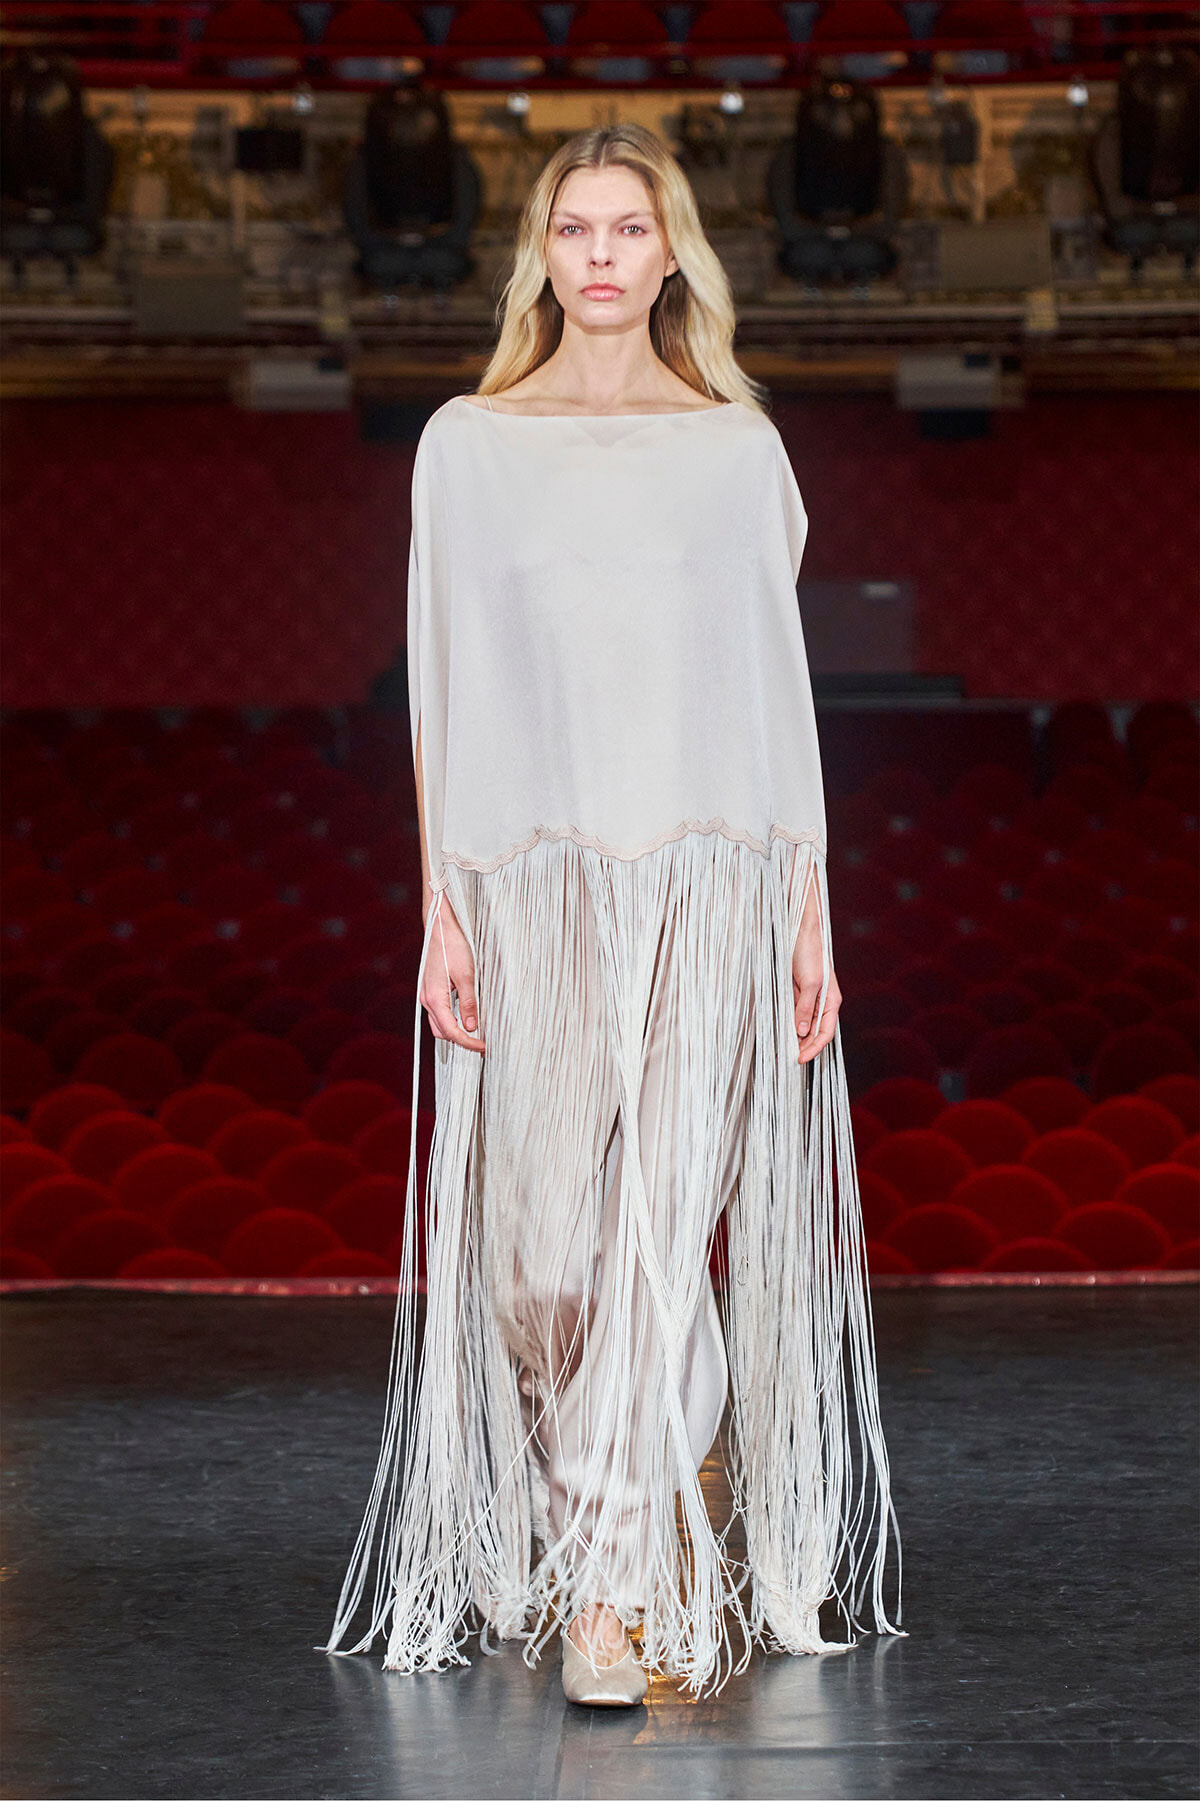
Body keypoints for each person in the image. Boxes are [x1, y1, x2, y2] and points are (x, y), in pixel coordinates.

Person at [323, 122, 904, 1708]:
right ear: (542, 256)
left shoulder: (733, 448)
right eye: (570, 227)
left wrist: (809, 909)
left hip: (713, 884)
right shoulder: (467, 444)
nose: (597, 251)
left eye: (625, 227)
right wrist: (440, 904)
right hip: (538, 888)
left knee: (658, 1236)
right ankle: (647, 1470)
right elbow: (443, 689)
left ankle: (613, 1591)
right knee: (542, 1263)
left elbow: (776, 695)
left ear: (669, 255)